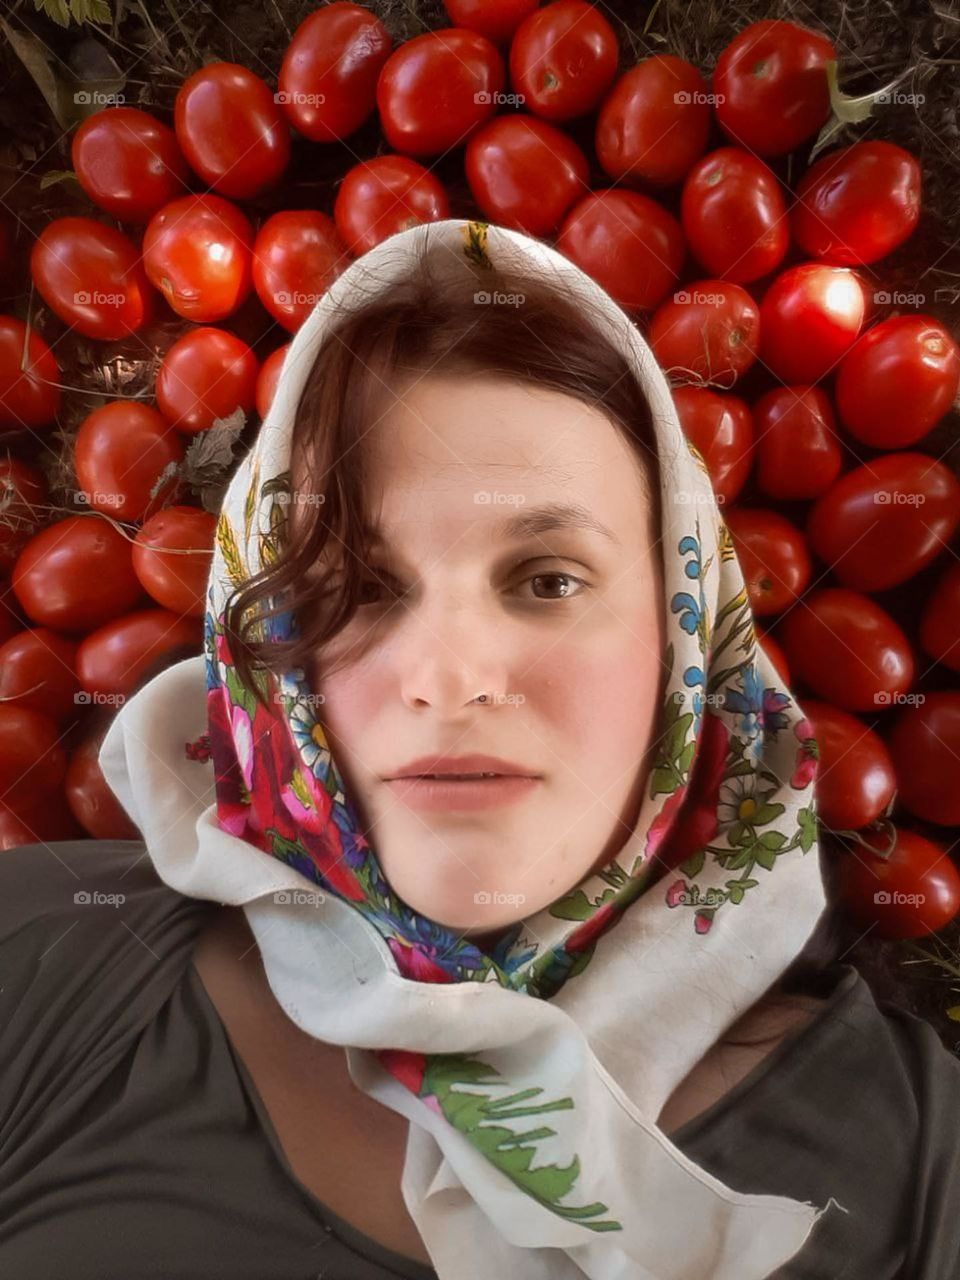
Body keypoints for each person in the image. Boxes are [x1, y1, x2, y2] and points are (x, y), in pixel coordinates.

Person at [2, 219, 959, 1280]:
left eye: (548, 579)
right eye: (359, 589)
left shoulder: (928, 1166)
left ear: (685, 638)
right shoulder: (31, 956)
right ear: (271, 652)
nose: (451, 677)